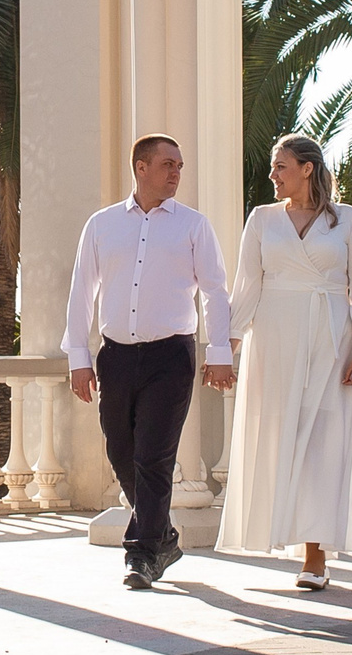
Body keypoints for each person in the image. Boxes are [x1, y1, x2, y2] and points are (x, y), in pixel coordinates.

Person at [64, 134, 237, 590]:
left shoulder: (194, 226)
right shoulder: (101, 225)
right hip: (115, 356)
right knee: (121, 452)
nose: (177, 172)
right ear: (140, 168)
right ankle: (163, 535)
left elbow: (217, 292)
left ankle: (141, 555)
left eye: (180, 165)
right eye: (167, 165)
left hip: (171, 355)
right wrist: (78, 358)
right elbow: (83, 290)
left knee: (153, 457)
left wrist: (219, 352)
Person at [217, 133, 352, 590]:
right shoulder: (262, 220)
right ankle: (273, 535)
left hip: (331, 340)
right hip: (275, 338)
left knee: (323, 445)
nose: (272, 175)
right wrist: (224, 350)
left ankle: (316, 558)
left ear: (307, 168)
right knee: (276, 436)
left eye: (280, 166)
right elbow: (246, 286)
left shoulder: (346, 220)